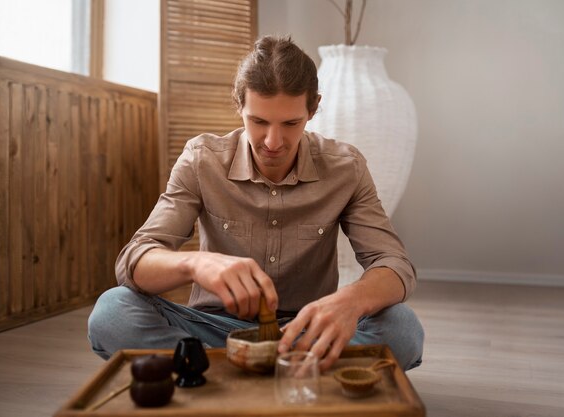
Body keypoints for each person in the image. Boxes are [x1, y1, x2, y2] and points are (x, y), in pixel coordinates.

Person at [88, 35, 424, 371]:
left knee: (403, 328)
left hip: (308, 333)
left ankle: (214, 376)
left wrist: (351, 301)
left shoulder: (346, 167)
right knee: (112, 312)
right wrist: (195, 264)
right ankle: (291, 376)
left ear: (313, 108)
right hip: (215, 331)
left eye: (290, 123)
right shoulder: (202, 160)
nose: (273, 142)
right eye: (259, 121)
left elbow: (394, 264)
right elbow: (133, 262)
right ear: (239, 106)